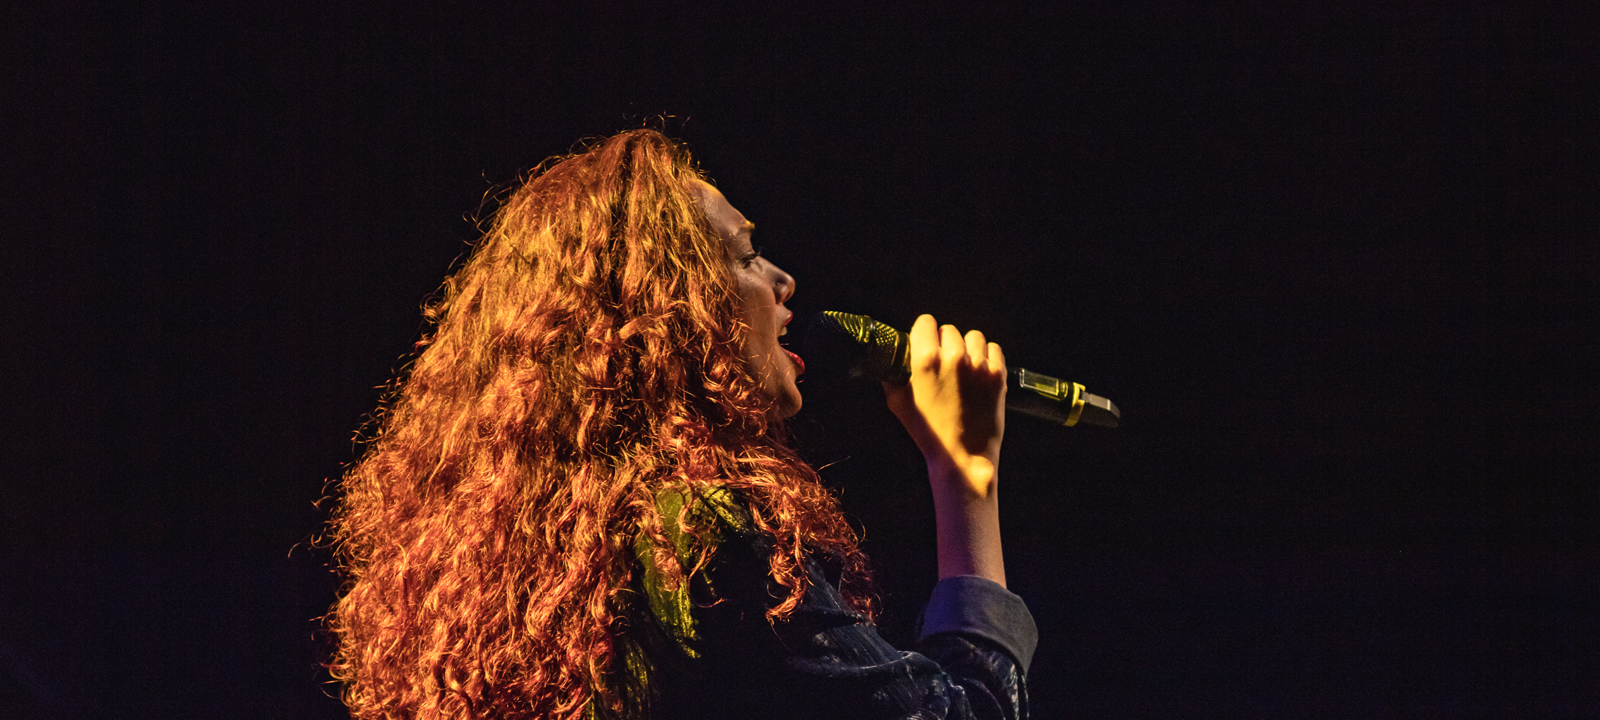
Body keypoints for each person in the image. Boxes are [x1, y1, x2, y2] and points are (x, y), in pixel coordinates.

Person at [327, 129, 1036, 719]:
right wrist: (964, 474)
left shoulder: (537, 556)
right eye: (747, 255)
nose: (784, 281)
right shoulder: (698, 536)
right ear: (671, 311)